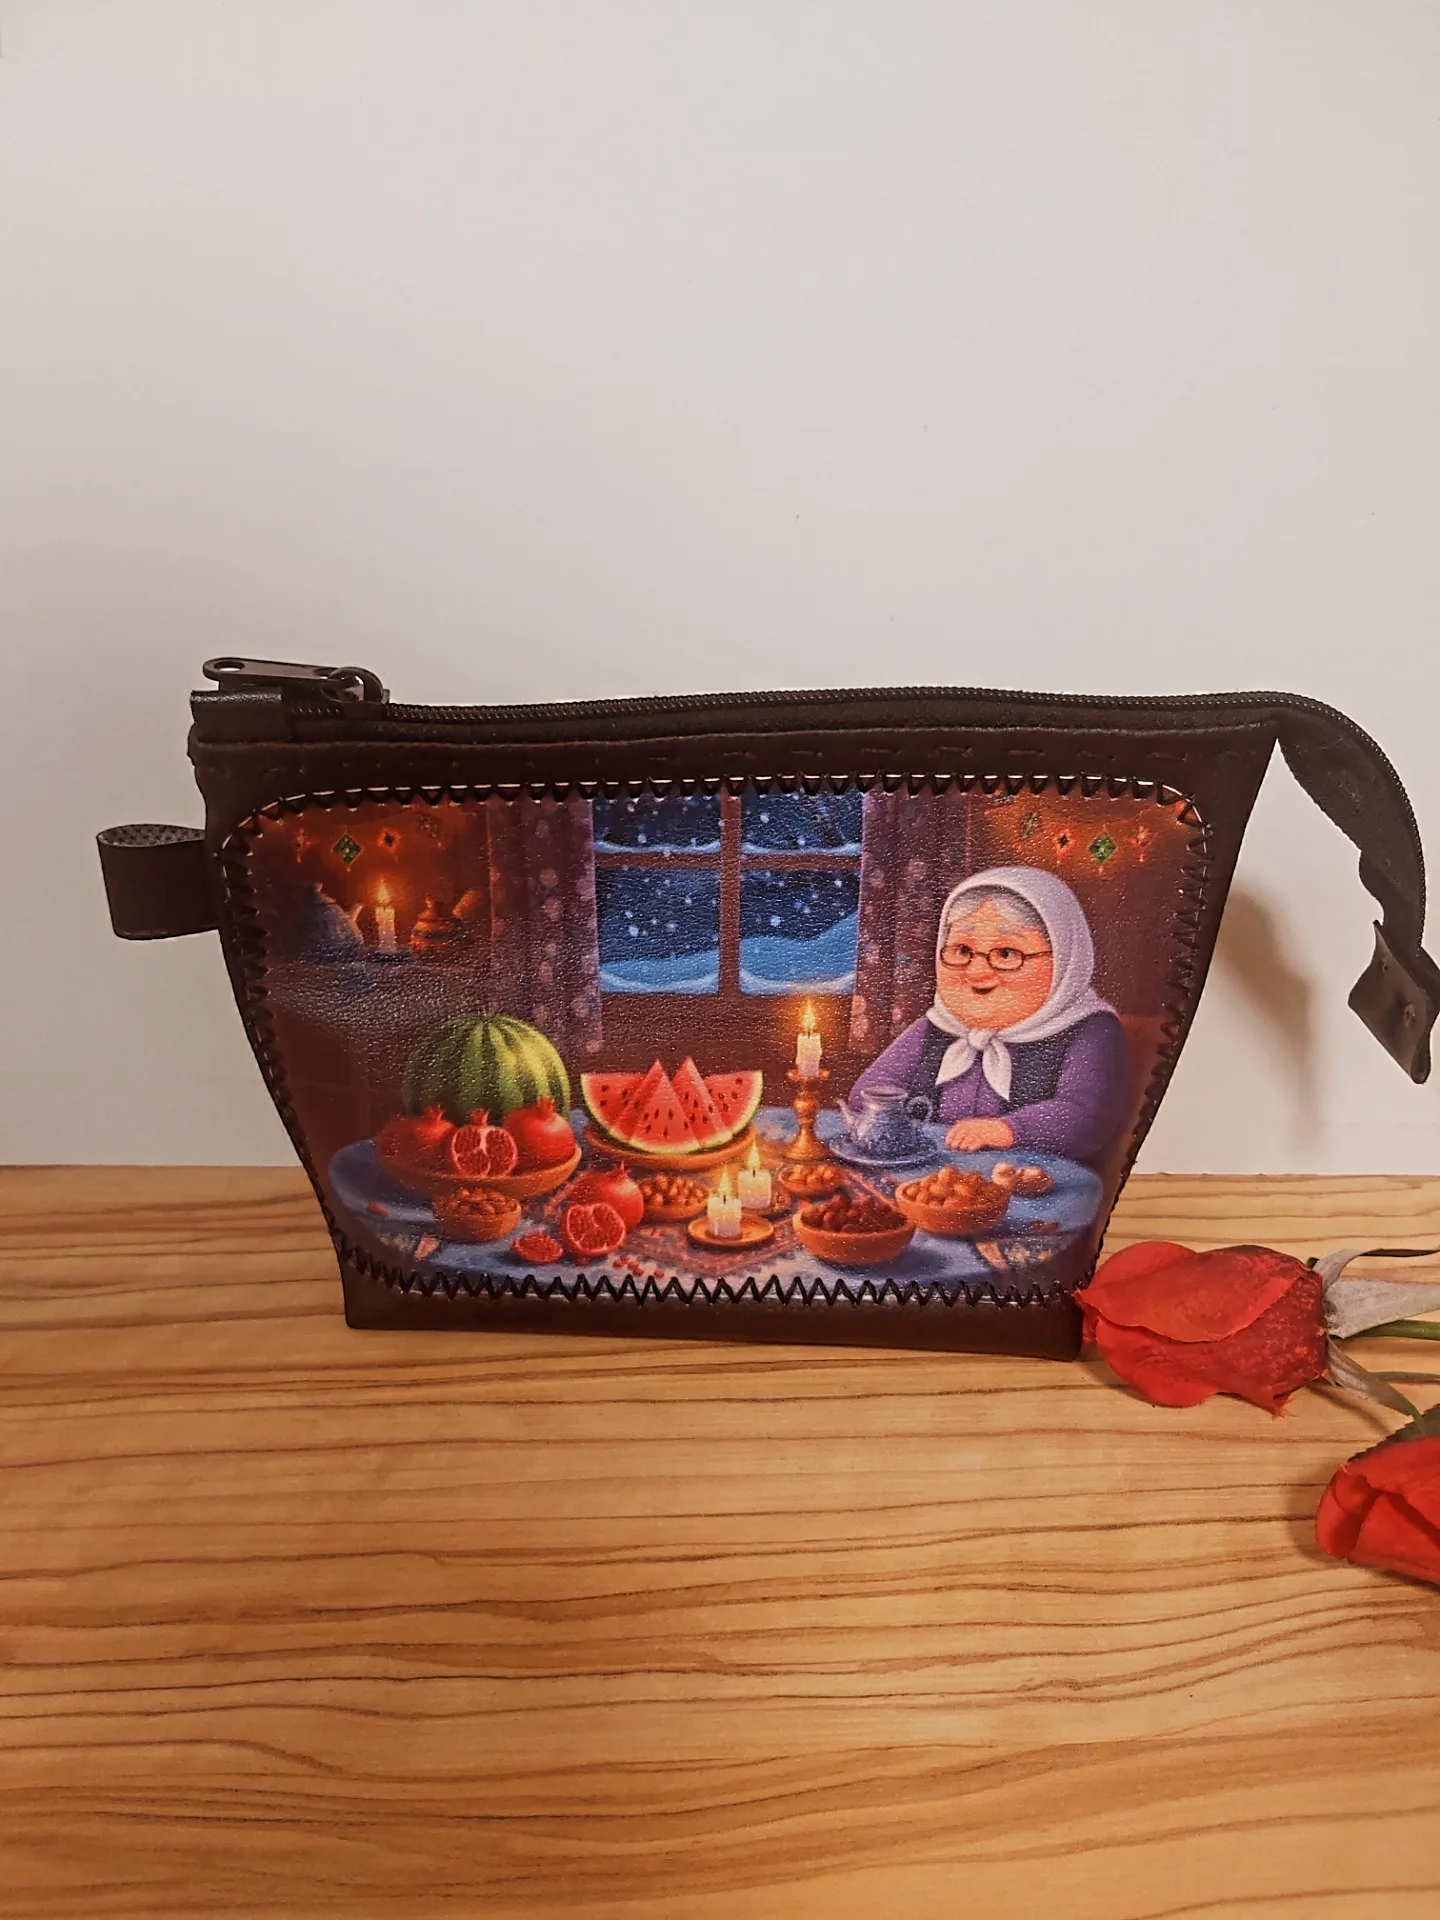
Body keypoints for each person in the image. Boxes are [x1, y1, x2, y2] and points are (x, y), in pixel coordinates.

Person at [847, 866, 1130, 1167]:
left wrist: (1010, 1129)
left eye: (1006, 954)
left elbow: (1088, 1115)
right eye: (961, 950)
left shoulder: (1092, 1030)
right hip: (932, 1174)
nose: (977, 971)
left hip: (1033, 1180)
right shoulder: (938, 1026)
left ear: (1063, 958)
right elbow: (865, 1093)